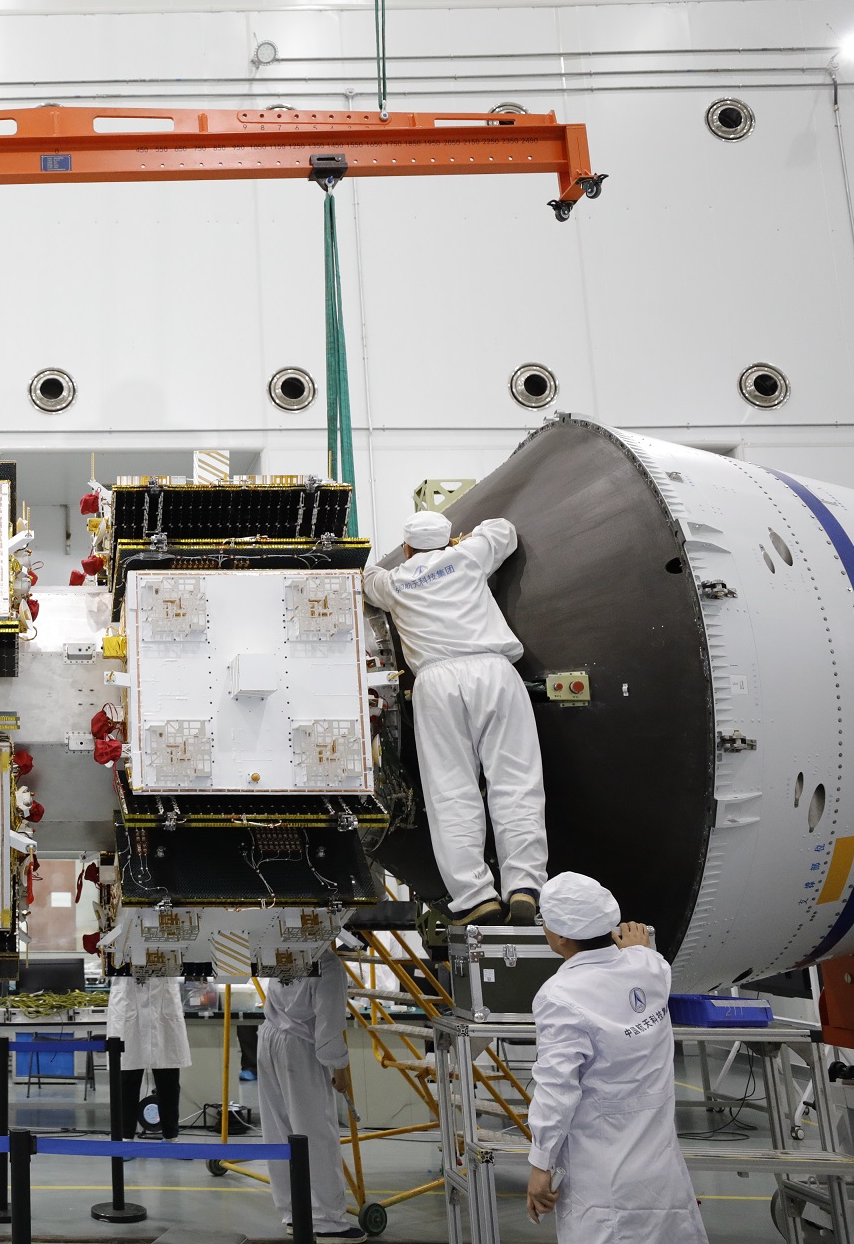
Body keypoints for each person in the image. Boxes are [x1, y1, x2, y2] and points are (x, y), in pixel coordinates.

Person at [362, 509, 548, 926]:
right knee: (516, 780)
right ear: (448, 540)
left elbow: (365, 578)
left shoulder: (394, 583)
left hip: (436, 683)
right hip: (493, 672)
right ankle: (524, 885)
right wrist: (463, 543)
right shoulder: (468, 556)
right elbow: (504, 530)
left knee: (451, 790)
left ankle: (475, 896)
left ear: (406, 548)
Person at [525, 872, 707, 1244]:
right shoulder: (651, 968)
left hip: (603, 1177)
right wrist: (640, 950)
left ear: (560, 936)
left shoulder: (559, 995)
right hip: (661, 1169)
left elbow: (557, 1090)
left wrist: (541, 1163)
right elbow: (645, 963)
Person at [259, 952, 365, 1242]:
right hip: (300, 1047)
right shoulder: (328, 964)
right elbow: (329, 1025)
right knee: (315, 1134)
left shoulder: (283, 949)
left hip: (269, 1038)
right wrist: (340, 1067)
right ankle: (327, 1221)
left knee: (280, 1133)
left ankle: (293, 1213)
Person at [106, 974, 191, 1142]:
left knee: (168, 1079)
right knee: (127, 1078)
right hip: (127, 998)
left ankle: (171, 1137)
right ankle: (125, 1139)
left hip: (163, 998)